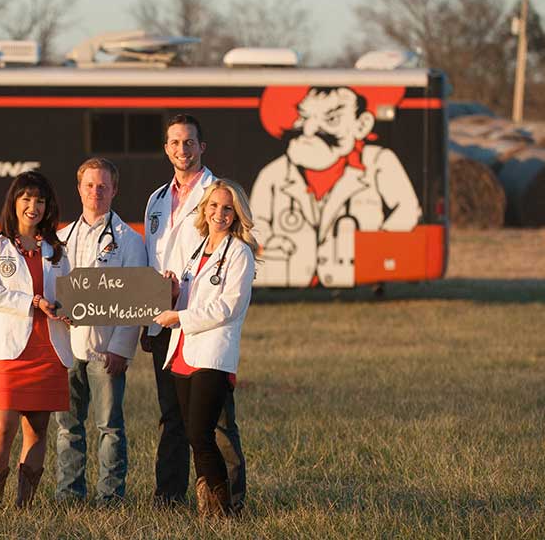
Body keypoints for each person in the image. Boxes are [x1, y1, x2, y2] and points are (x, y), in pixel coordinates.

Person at [142, 114, 246, 510]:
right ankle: (168, 496)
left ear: (202, 147)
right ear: (166, 148)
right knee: (172, 415)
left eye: (189, 143)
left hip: (201, 324)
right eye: (174, 143)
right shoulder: (156, 200)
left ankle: (229, 498)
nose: (181, 150)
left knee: (215, 420)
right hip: (162, 317)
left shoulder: (216, 194)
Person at [152, 179, 258, 519]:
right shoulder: (197, 250)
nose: (219, 213)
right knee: (193, 433)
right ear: (205, 210)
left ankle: (224, 510)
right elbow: (189, 298)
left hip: (212, 354)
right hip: (183, 352)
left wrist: (178, 314)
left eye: (227, 208)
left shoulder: (239, 253)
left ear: (236, 213)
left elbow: (227, 307)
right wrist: (172, 295)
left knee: (201, 433)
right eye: (214, 206)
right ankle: (207, 509)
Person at [250, 85, 421, 287]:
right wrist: (269, 242)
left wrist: (376, 247)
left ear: (361, 124)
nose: (310, 130)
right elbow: (255, 221)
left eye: (331, 119)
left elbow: (408, 209)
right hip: (288, 270)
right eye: (304, 118)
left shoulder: (378, 163)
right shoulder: (273, 174)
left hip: (353, 272)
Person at [0, 170, 73, 509]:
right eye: (27, 199)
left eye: (41, 200)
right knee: (3, 428)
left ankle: (24, 507)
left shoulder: (57, 250)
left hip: (49, 349)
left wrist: (70, 310)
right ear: (14, 202)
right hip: (9, 351)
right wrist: (32, 302)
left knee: (38, 429)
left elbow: (69, 294)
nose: (33, 206)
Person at [53, 158, 146, 504]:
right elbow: (54, 291)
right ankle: (69, 493)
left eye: (103, 186)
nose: (96, 192)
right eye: (90, 185)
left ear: (115, 190)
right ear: (79, 188)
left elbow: (135, 299)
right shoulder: (60, 239)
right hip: (67, 348)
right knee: (68, 426)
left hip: (107, 347)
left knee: (110, 427)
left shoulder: (129, 241)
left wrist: (122, 348)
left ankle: (110, 497)